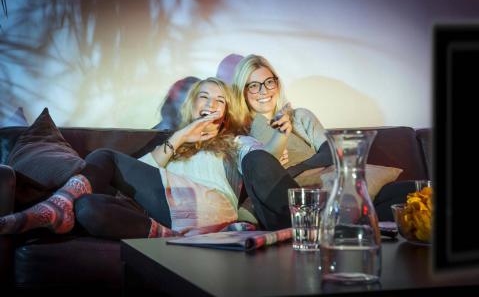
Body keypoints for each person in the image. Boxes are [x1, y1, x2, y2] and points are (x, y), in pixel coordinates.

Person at [0, 77, 298, 238]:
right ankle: (167, 235)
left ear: (225, 112)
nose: (212, 103)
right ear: (193, 105)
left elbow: (265, 165)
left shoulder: (236, 142)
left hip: (211, 208)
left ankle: (53, 206)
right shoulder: (171, 143)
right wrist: (181, 136)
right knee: (89, 207)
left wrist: (282, 132)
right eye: (204, 97)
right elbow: (130, 181)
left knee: (106, 156)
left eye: (220, 100)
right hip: (166, 213)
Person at [232, 54, 334, 185]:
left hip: (325, 180)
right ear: (243, 92)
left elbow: (331, 152)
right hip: (284, 193)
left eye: (269, 82)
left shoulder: (300, 117)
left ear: (277, 84)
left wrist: (293, 170)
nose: (264, 91)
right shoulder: (242, 138)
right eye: (254, 85)